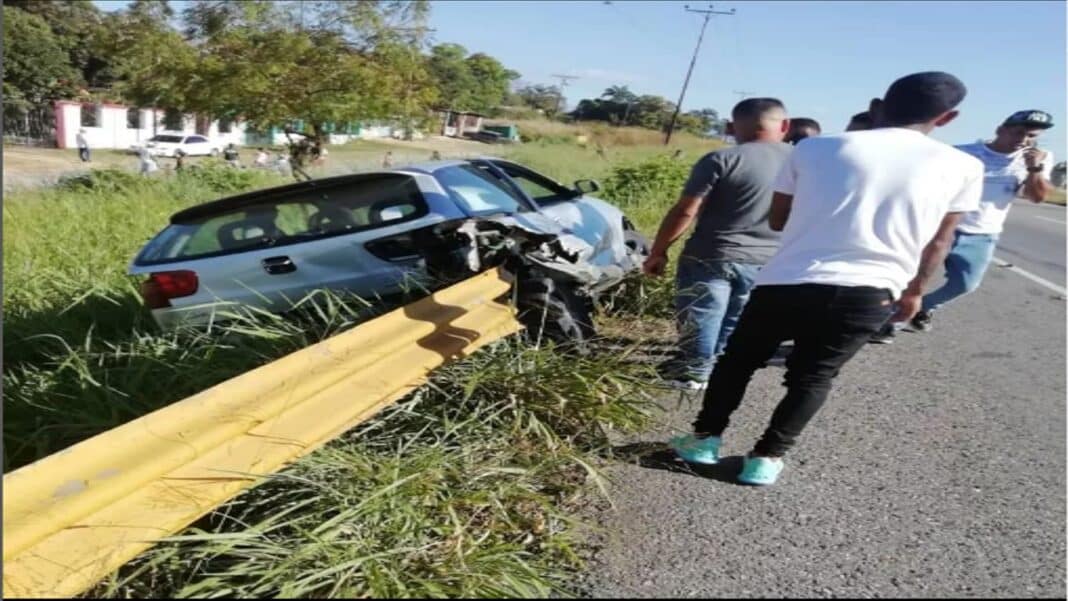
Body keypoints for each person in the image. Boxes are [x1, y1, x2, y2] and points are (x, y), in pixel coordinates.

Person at [670, 72, 983, 486]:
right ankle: (765, 460)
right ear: (948, 117)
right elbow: (940, 241)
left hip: (788, 278)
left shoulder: (816, 148)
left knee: (738, 362)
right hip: (873, 290)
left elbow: (778, 218)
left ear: (879, 105)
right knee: (813, 376)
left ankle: (703, 441)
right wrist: (915, 292)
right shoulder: (964, 166)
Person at [643, 98, 793, 390]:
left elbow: (687, 210)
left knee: (702, 312)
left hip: (711, 254)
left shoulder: (722, 159)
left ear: (731, 125)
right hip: (769, 258)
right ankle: (713, 365)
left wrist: (659, 251)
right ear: (785, 125)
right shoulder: (802, 162)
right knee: (735, 314)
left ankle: (694, 371)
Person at [909, 110, 1056, 332]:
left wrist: (1034, 168)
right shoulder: (963, 153)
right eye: (1019, 133)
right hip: (941, 226)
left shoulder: (1037, 160)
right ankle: (891, 319)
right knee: (913, 276)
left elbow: (1037, 197)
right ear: (1001, 130)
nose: (1024, 141)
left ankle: (924, 307)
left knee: (965, 284)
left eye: (1032, 136)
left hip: (982, 232)